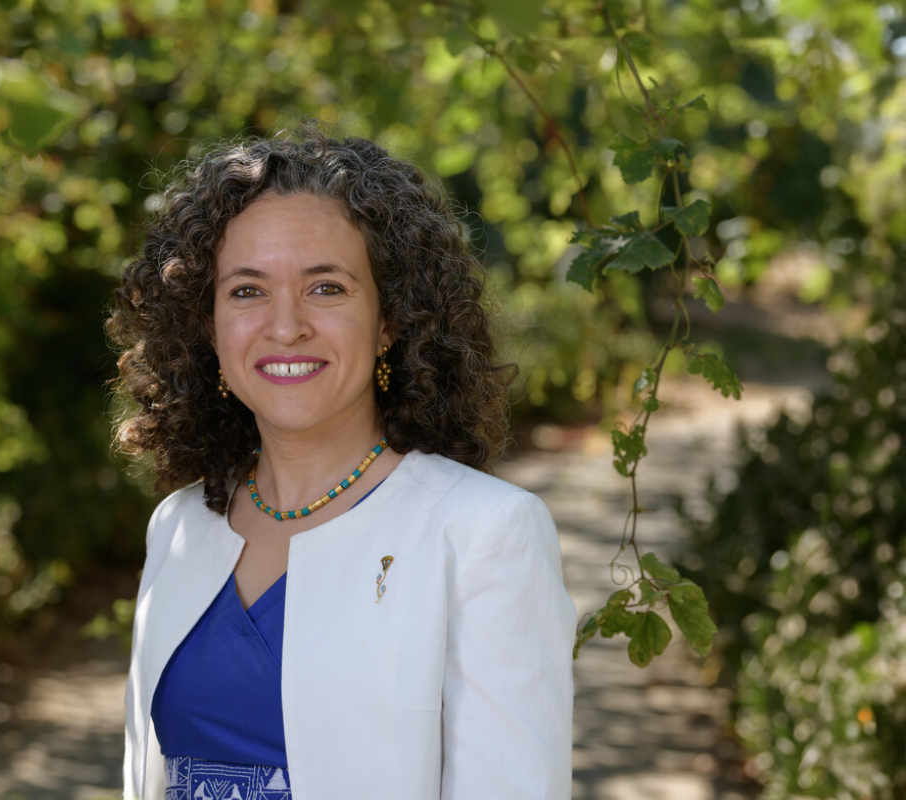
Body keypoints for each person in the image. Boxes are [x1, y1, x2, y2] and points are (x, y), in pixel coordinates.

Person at [107, 130, 576, 800]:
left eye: (326, 287)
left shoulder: (484, 533)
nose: (285, 325)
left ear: (389, 320)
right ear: (207, 325)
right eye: (246, 291)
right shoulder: (179, 527)